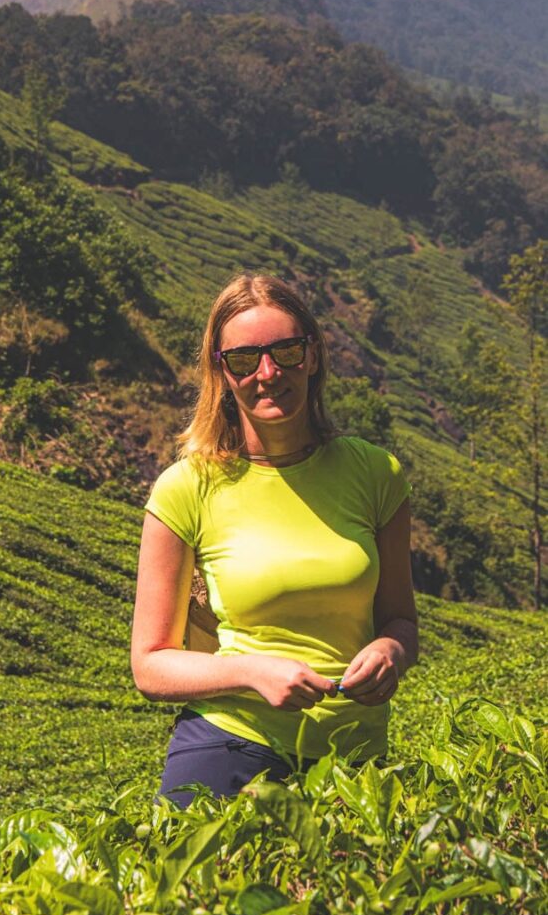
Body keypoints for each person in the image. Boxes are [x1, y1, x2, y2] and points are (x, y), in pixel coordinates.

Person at [131, 273, 418, 807]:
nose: (268, 373)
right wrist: (250, 672)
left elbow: (401, 619)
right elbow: (150, 663)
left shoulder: (376, 473)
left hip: (355, 763)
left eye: (285, 351)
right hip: (230, 747)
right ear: (222, 372)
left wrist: (390, 651)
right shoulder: (187, 488)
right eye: (244, 359)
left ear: (312, 356)